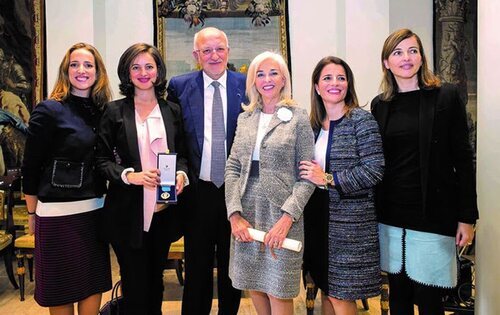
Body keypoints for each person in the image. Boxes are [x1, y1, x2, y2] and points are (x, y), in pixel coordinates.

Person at [371, 28, 479, 315]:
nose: (406, 58)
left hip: (433, 215)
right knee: (399, 298)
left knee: (430, 301)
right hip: (392, 217)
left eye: (412, 51)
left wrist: (467, 217)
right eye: (397, 52)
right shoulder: (380, 105)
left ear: (421, 57)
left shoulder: (446, 97)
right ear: (386, 62)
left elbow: (464, 160)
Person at [96, 43, 188, 315]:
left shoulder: (172, 111)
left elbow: (182, 156)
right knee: (134, 284)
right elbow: (101, 161)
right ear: (127, 72)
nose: (143, 72)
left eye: (149, 66)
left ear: (159, 72)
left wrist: (181, 175)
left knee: (156, 282)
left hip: (163, 212)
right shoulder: (114, 112)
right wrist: (130, 176)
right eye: (135, 67)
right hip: (127, 214)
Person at [21, 42, 112, 315]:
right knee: (60, 288)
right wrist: (31, 212)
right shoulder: (49, 110)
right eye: (74, 64)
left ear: (98, 72)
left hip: (94, 214)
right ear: (65, 70)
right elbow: (31, 166)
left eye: (88, 65)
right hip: (56, 216)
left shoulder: (104, 111)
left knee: (91, 285)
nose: (81, 70)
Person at [225, 51, 315, 315]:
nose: (267, 79)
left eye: (273, 73)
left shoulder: (298, 117)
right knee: (254, 285)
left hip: (282, 213)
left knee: (279, 290)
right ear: (253, 81)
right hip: (246, 212)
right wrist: (234, 214)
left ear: (284, 78)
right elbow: (232, 167)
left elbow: (307, 176)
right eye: (260, 74)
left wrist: (287, 218)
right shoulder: (245, 118)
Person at [166, 27, 246, 314]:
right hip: (197, 192)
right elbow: (174, 139)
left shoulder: (247, 84)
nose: (214, 56)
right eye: (207, 50)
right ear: (196, 55)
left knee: (232, 266)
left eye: (219, 49)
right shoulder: (179, 86)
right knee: (197, 266)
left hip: (236, 193)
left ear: (228, 51)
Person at [300, 56, 385, 315]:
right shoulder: (312, 126)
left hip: (350, 224)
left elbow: (374, 170)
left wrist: (327, 178)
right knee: (327, 289)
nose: (334, 83)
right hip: (316, 218)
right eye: (327, 78)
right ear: (316, 86)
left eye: (341, 78)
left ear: (348, 84)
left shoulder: (362, 120)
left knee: (341, 294)